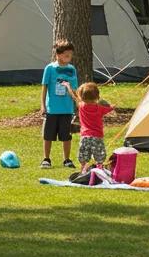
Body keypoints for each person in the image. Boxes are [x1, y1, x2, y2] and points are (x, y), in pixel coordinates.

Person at [40, 40, 78, 169]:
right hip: (52, 109)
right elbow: (44, 87)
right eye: (66, 55)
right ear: (58, 55)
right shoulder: (50, 68)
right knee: (48, 135)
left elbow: (74, 88)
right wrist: (43, 105)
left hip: (67, 109)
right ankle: (46, 159)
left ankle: (67, 159)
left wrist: (77, 103)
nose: (69, 57)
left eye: (70, 55)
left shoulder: (71, 69)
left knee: (66, 136)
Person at [65, 81, 114, 170]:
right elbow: (110, 108)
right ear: (97, 96)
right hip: (97, 136)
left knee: (83, 156)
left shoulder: (81, 106)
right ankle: (99, 169)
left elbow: (74, 96)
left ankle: (83, 170)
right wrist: (112, 106)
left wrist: (68, 86)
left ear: (82, 97)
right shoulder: (100, 109)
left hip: (85, 136)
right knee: (99, 156)